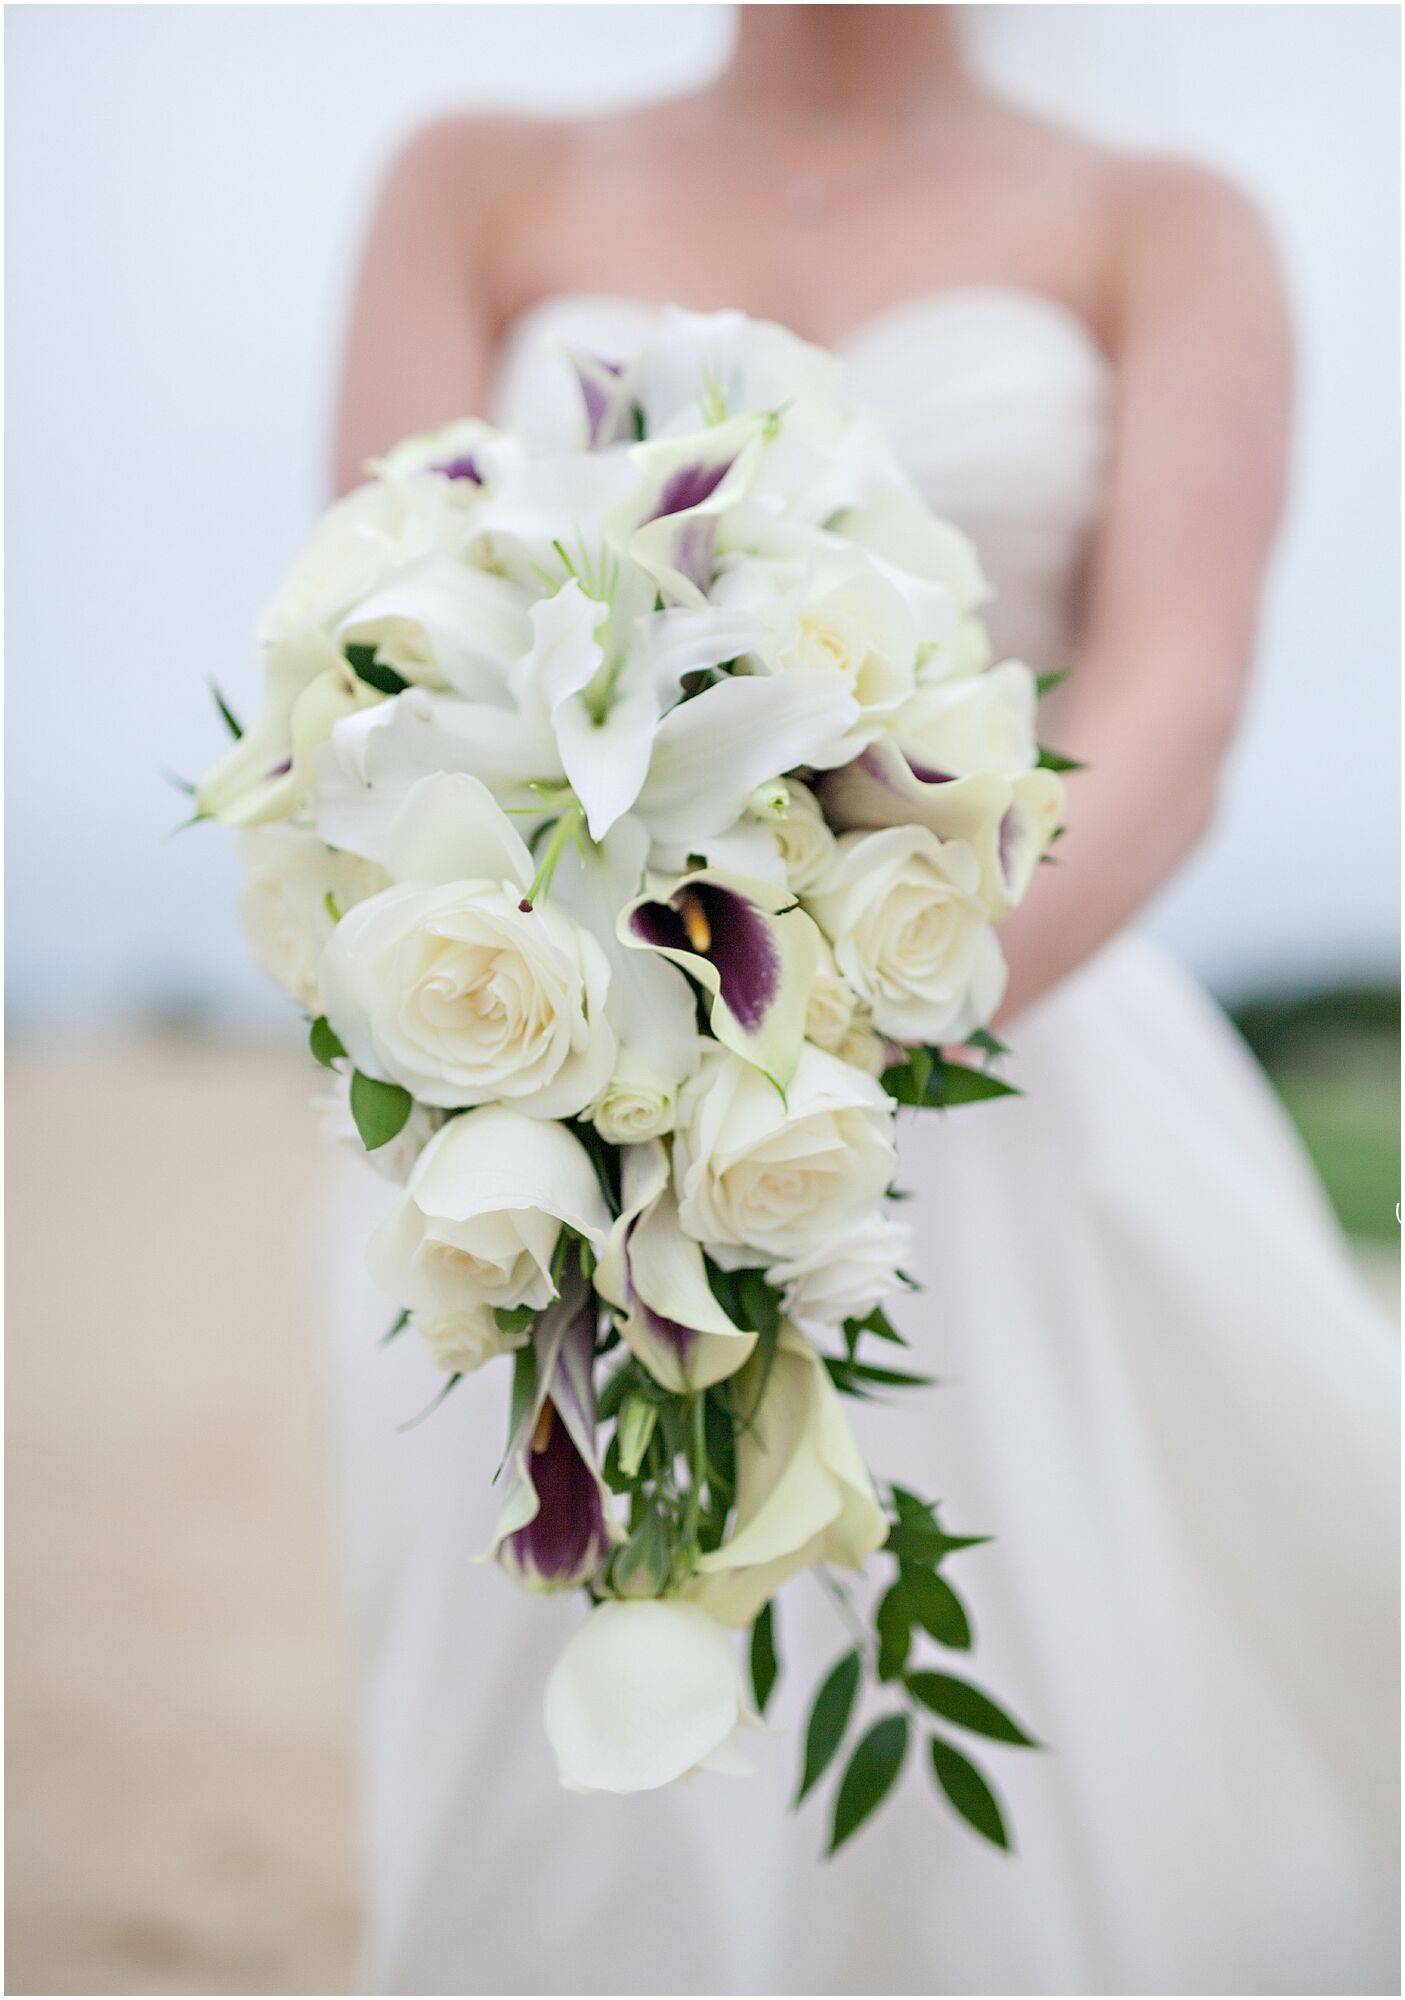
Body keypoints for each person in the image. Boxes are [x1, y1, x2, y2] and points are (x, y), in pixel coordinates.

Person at [325, 9, 1398, 1992]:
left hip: (998, 1081)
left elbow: (1174, 700)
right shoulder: (476, 176)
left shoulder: (1168, 224)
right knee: (582, 1753)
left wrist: (837, 1018)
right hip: (549, 1117)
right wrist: (597, 1037)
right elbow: (373, 631)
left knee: (1020, 1733)